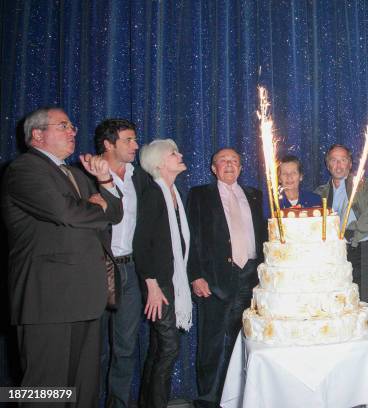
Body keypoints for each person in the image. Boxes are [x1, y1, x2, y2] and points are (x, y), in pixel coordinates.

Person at [1, 107, 123, 407]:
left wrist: (105, 184)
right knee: (45, 391)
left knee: (83, 390)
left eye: (72, 125)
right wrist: (96, 208)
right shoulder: (24, 169)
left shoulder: (76, 174)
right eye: (63, 125)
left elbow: (116, 214)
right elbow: (65, 213)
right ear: (37, 134)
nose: (73, 131)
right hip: (48, 300)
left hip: (84, 296)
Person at [187, 148, 266, 408]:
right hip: (214, 280)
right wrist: (196, 275)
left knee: (243, 341)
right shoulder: (200, 195)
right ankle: (207, 398)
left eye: (235, 161)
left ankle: (238, 397)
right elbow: (192, 239)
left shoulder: (255, 195)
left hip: (250, 278)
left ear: (241, 168)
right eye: (223, 161)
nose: (229, 165)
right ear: (213, 168)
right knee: (210, 342)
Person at [96, 118, 152, 407]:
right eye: (128, 140)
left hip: (129, 269)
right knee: (93, 350)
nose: (135, 145)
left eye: (135, 139)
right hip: (95, 270)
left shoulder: (138, 177)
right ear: (108, 144)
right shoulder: (86, 175)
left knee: (125, 348)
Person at [133, 139, 192, 408]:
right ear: (159, 164)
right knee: (169, 349)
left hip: (169, 281)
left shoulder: (174, 194)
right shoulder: (154, 194)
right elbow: (142, 244)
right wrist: (152, 286)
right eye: (173, 153)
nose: (180, 155)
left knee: (159, 349)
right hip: (159, 284)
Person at [315, 144, 368, 301]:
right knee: (337, 303)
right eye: (334, 160)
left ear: (350, 164)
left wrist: (353, 234)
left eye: (343, 160)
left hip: (360, 249)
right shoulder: (320, 193)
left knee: (362, 304)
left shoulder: (362, 185)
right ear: (328, 164)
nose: (338, 165)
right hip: (332, 255)